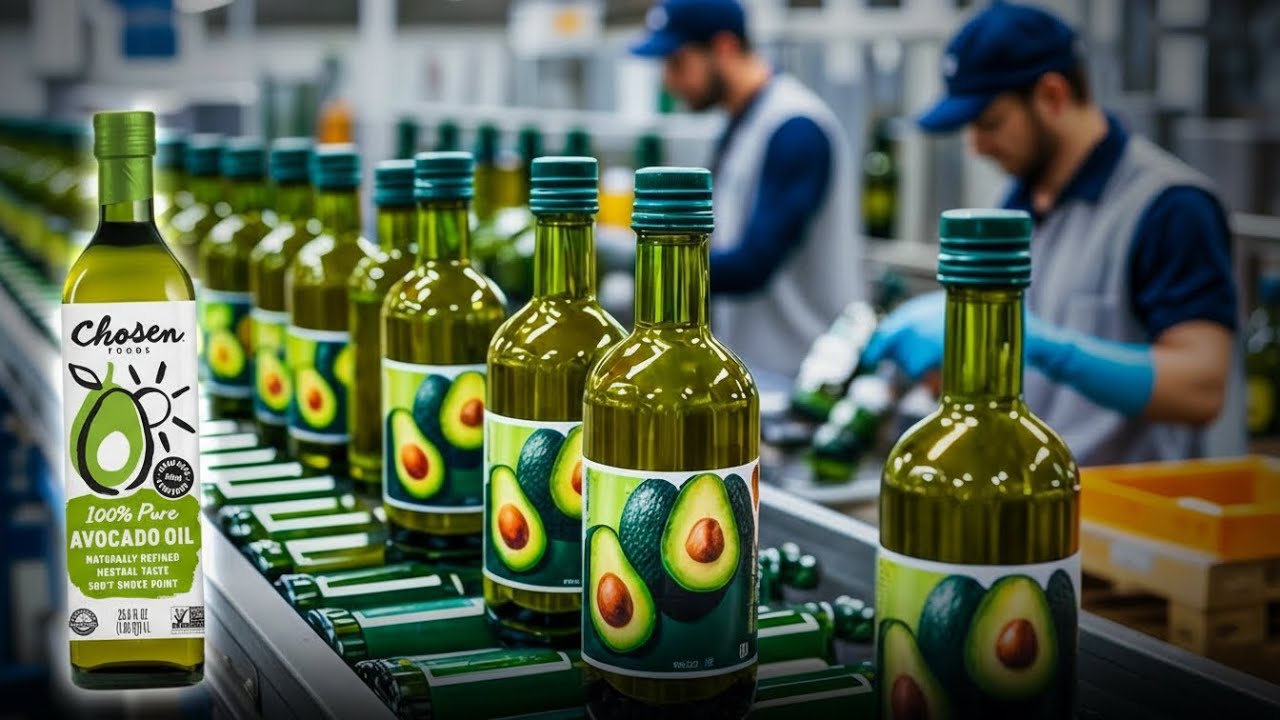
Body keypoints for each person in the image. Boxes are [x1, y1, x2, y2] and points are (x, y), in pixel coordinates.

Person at [863, 2, 1244, 466]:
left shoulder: (1169, 207)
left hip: (1119, 517)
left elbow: (1201, 388)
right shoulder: (1018, 203)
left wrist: (1039, 343)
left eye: (989, 123)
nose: (977, 145)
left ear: (1052, 95)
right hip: (1027, 495)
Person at [630, 0, 863, 380]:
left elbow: (753, 264)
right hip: (759, 369)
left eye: (678, 62)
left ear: (724, 48)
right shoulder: (744, 123)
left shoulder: (795, 128)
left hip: (805, 377)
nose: (669, 81)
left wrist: (643, 259)